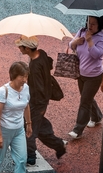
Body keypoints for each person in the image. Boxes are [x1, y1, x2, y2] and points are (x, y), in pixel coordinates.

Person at [16, 36, 67, 165]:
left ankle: (30, 157)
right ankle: (58, 145)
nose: (19, 48)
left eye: (21, 46)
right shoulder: (42, 54)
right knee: (40, 128)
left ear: (27, 48)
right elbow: (49, 63)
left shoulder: (34, 66)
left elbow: (37, 88)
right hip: (41, 101)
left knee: (29, 127)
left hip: (37, 102)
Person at [67, 15, 103, 140]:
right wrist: (75, 42)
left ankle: (78, 129)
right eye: (89, 22)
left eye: (94, 24)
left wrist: (90, 41)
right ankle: (97, 116)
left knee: (84, 102)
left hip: (94, 76)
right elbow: (70, 45)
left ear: (100, 24)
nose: (90, 26)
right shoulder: (81, 31)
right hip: (81, 74)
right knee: (87, 98)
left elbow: (97, 54)